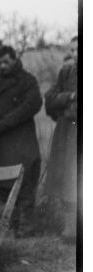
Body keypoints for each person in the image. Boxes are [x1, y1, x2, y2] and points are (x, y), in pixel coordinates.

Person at [0, 45, 42, 232]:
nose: (3, 66)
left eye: (6, 61)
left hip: (21, 138)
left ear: (15, 59)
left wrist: (7, 122)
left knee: (24, 181)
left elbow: (32, 104)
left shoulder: (28, 80)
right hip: (0, 140)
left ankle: (25, 226)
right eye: (0, 62)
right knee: (3, 185)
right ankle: (9, 224)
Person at [44, 36, 78, 241]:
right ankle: (70, 229)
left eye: (79, 50)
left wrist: (66, 104)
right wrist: (70, 97)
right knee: (68, 178)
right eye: (72, 50)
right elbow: (50, 98)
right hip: (66, 132)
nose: (74, 55)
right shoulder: (66, 71)